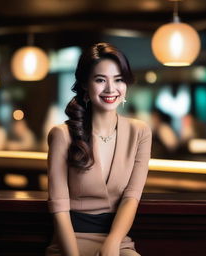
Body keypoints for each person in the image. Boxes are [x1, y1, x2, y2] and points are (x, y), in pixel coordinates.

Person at [46, 42, 152, 256]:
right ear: (85, 84)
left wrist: (113, 244)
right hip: (71, 241)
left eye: (118, 79)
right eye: (100, 80)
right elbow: (59, 207)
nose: (111, 89)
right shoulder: (62, 135)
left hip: (118, 241)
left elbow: (132, 197)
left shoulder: (140, 132)